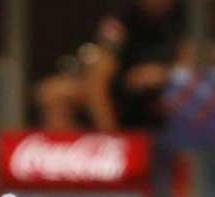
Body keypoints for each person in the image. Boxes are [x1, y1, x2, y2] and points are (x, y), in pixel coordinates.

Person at [35, 0, 189, 131]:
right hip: (120, 92)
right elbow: (99, 74)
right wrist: (110, 133)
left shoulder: (185, 14)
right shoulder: (123, 15)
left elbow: (191, 65)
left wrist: (165, 73)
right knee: (52, 93)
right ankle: (86, 156)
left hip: (163, 93)